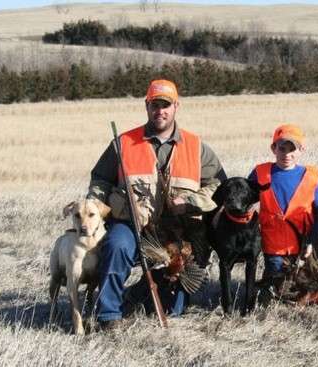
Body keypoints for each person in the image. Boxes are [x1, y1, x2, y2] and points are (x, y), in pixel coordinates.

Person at [87, 79, 226, 330]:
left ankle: (137, 294)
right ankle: (108, 315)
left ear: (176, 107)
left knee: (173, 309)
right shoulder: (123, 143)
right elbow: (101, 179)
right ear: (146, 106)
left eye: (166, 105)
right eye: (154, 105)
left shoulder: (196, 147)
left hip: (177, 231)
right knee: (117, 245)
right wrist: (93, 207)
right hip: (133, 224)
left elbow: (219, 184)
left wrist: (191, 201)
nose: (160, 111)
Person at [248, 124, 318, 301]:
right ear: (273, 149)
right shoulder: (260, 173)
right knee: (280, 293)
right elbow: (244, 202)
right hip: (274, 248)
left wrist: (313, 241)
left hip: (305, 248)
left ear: (301, 150)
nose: (287, 154)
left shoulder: (311, 176)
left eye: (292, 149)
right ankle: (269, 289)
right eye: (282, 148)